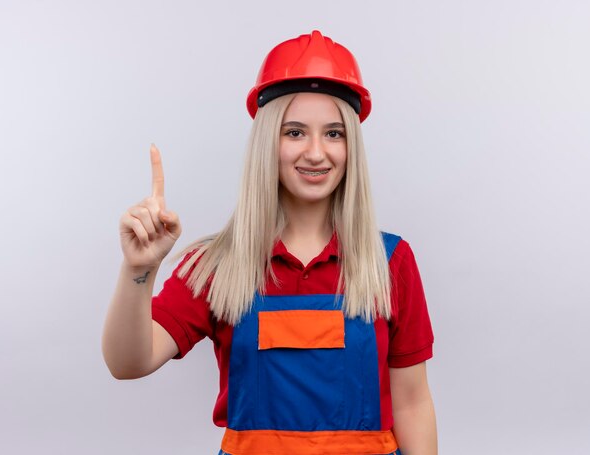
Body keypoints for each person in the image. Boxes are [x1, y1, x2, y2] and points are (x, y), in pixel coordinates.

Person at [102, 30, 437, 455]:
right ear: (267, 142)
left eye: (334, 133)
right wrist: (138, 269)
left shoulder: (389, 262)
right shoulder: (218, 264)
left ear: (352, 145)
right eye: (294, 132)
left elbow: (412, 403)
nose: (316, 152)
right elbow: (127, 362)